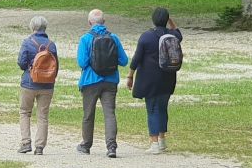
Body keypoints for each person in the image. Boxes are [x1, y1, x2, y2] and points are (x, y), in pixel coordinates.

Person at [127, 8, 183, 155]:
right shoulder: (174, 35)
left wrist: (130, 75)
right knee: (163, 108)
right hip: (168, 77)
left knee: (152, 109)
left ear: (153, 20)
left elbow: (136, 58)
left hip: (149, 79)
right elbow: (176, 29)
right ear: (167, 20)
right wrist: (169, 20)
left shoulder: (147, 37)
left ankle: (154, 143)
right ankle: (163, 140)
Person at [76, 9, 128, 158]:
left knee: (88, 114)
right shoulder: (114, 38)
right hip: (110, 81)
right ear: (104, 22)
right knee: (109, 114)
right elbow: (124, 61)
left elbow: (82, 62)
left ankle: (86, 145)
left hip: (90, 81)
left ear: (89, 23)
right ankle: (111, 147)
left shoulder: (85, 39)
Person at [16, 16, 58, 155]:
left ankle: (25, 142)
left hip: (29, 83)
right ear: (45, 27)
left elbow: (22, 63)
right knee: (42, 116)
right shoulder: (51, 44)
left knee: (25, 112)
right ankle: (39, 147)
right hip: (47, 85)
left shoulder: (27, 42)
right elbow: (56, 66)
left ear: (32, 27)